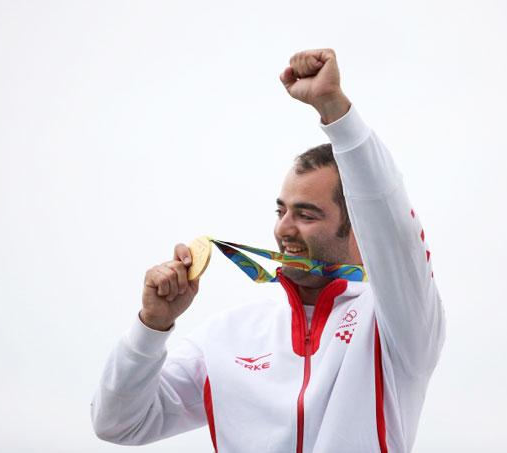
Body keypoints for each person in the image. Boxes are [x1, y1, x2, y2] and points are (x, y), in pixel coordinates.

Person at [91, 49, 446, 453]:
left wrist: (334, 110)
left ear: (358, 230)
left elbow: (391, 222)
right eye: (282, 211)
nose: (284, 229)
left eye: (307, 214)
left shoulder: (397, 324)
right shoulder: (228, 335)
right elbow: (118, 424)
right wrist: (151, 327)